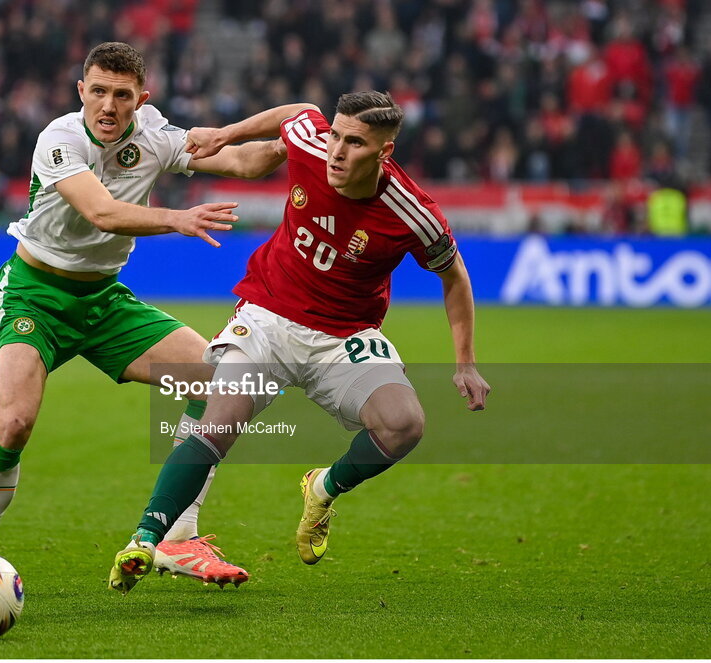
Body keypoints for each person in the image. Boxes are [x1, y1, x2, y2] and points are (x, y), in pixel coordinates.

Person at [0, 42, 286, 592]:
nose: (108, 105)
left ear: (140, 99)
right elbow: (101, 211)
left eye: (122, 95)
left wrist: (305, 137)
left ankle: (178, 539)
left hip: (102, 301)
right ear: (81, 91)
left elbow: (244, 160)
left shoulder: (155, 135)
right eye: (97, 90)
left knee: (216, 376)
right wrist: (177, 218)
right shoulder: (59, 138)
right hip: (35, 294)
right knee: (14, 422)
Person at [109, 91, 491, 594]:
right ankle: (146, 539)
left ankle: (323, 486)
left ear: (384, 152)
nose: (336, 150)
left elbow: (455, 276)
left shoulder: (413, 213)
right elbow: (296, 114)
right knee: (218, 420)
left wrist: (465, 362)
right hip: (269, 316)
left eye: (354, 143)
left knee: (404, 425)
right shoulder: (312, 144)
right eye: (336, 134)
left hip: (345, 336)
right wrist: (228, 133)